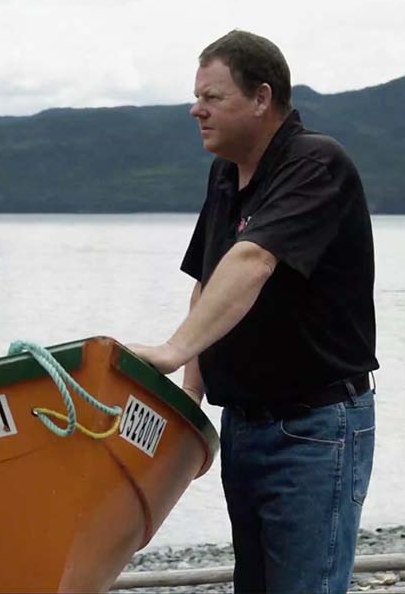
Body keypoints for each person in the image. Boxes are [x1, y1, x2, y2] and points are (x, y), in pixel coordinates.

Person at [127, 29, 378, 593]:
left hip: (314, 431)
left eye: (212, 98)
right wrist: (189, 402)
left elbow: (253, 260)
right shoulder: (225, 174)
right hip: (244, 424)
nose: (196, 110)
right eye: (197, 97)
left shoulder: (316, 164)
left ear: (262, 98)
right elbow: (209, 280)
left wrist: (171, 350)